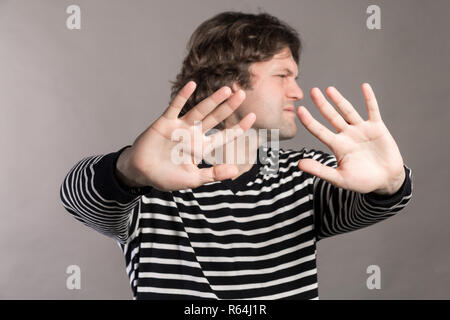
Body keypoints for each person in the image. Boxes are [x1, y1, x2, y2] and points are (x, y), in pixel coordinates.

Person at [60, 11, 413, 300]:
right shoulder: (155, 178)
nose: (297, 91)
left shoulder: (302, 173)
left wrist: (390, 183)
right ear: (230, 81)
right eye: (283, 75)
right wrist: (128, 172)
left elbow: (368, 201)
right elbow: (78, 199)